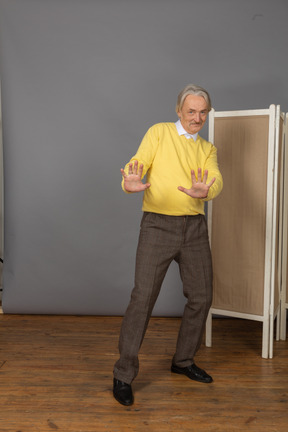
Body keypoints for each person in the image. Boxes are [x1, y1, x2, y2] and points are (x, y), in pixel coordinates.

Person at [113, 84, 223, 406]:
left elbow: (216, 178)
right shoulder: (159, 133)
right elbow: (137, 165)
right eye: (191, 111)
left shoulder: (208, 149)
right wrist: (128, 182)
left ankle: (183, 361)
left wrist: (208, 190)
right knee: (143, 297)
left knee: (202, 296)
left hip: (194, 230)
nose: (197, 118)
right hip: (157, 225)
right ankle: (123, 373)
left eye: (203, 112)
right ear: (179, 111)